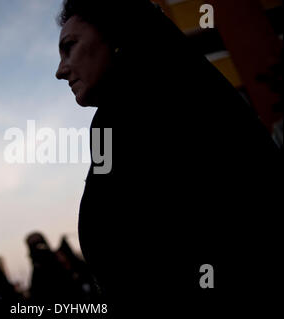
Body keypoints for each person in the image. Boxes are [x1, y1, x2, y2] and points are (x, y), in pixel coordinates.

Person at [54, 0, 282, 314]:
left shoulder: (167, 113)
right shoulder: (124, 120)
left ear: (116, 37)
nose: (60, 71)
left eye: (70, 47)